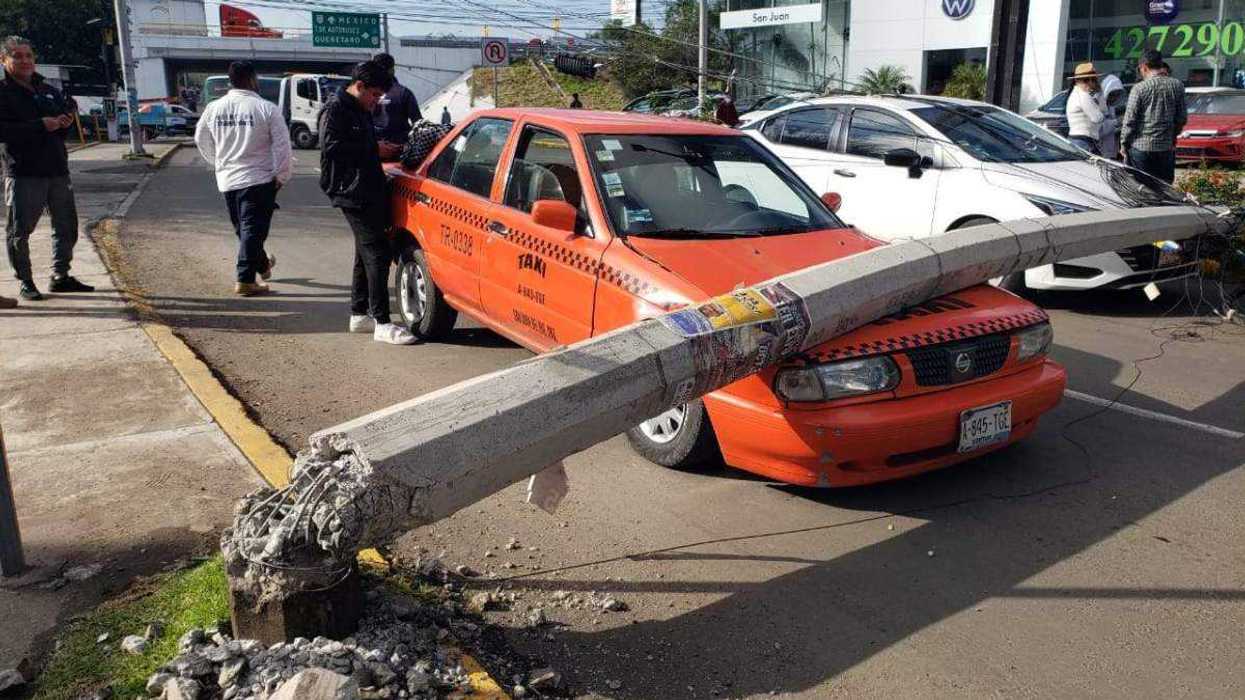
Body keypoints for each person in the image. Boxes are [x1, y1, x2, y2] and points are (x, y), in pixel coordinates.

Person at [320, 60, 416, 346]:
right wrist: (374, 148)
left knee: (364, 253)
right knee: (377, 252)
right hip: (351, 191)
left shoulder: (359, 108)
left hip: (366, 187)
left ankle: (359, 314)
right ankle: (383, 323)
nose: (376, 102)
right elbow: (331, 147)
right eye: (373, 95)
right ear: (359, 87)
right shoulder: (336, 108)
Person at [0, 35, 93, 301]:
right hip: (25, 172)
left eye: (28, 55)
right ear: (4, 59)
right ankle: (26, 281)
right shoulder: (3, 92)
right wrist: (40, 125)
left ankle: (60, 276)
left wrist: (65, 119)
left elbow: (64, 114)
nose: (25, 61)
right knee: (20, 230)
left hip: (57, 169)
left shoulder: (45, 88)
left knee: (66, 226)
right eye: (17, 56)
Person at [195, 61, 293, 297]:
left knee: (245, 229)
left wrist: (218, 161)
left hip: (227, 179)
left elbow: (200, 138)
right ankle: (245, 279)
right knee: (251, 229)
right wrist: (282, 175)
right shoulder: (265, 108)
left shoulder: (214, 108)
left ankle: (262, 265)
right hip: (258, 178)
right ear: (252, 79)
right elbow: (282, 146)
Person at [1121, 49, 1187, 183]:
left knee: (1142, 188)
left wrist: (1123, 144)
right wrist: (1172, 136)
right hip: (1166, 147)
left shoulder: (1139, 88)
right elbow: (1181, 118)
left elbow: (1129, 121)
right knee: (1164, 188)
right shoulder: (1177, 85)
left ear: (1144, 67)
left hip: (1141, 147)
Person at [370, 53, 421, 148]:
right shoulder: (404, 93)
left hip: (372, 150)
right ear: (392, 70)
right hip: (399, 149)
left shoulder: (365, 93)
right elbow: (418, 124)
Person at [1065, 62, 1105, 155]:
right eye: (1086, 80)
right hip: (1084, 141)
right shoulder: (1083, 96)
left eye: (1094, 79)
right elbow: (1098, 118)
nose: (1091, 83)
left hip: (1081, 140)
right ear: (1077, 81)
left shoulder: (1078, 93)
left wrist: (1099, 93)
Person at [1099, 74, 1126, 161]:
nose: (1115, 98)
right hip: (1099, 151)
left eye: (1117, 95)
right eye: (1113, 95)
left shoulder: (1110, 107)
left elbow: (1111, 130)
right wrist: (1117, 121)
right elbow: (1100, 129)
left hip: (1110, 152)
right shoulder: (1097, 104)